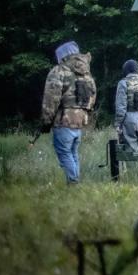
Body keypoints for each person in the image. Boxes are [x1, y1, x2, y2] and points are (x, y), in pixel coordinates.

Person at [40, 41, 97, 184]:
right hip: (80, 121)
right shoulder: (86, 73)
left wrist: (46, 121)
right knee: (73, 154)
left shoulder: (58, 71)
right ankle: (75, 184)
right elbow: (93, 95)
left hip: (63, 121)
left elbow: (51, 99)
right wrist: (85, 114)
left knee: (65, 153)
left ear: (62, 57)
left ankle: (73, 183)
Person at [114, 59, 138, 153]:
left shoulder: (123, 83)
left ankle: (132, 167)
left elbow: (121, 107)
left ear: (126, 70)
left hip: (129, 118)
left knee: (130, 150)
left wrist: (118, 124)